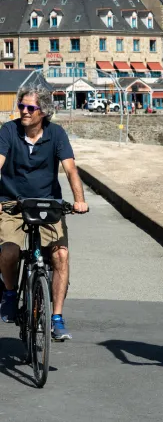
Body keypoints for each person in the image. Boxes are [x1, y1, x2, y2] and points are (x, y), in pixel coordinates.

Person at [0, 86, 89, 340]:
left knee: (60, 255)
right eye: (22, 107)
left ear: (44, 112)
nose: (24, 112)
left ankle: (57, 317)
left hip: (47, 203)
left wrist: (79, 200)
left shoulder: (56, 134)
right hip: (12, 203)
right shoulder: (8, 131)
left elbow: (71, 170)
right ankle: (8, 292)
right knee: (9, 251)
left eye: (30, 108)